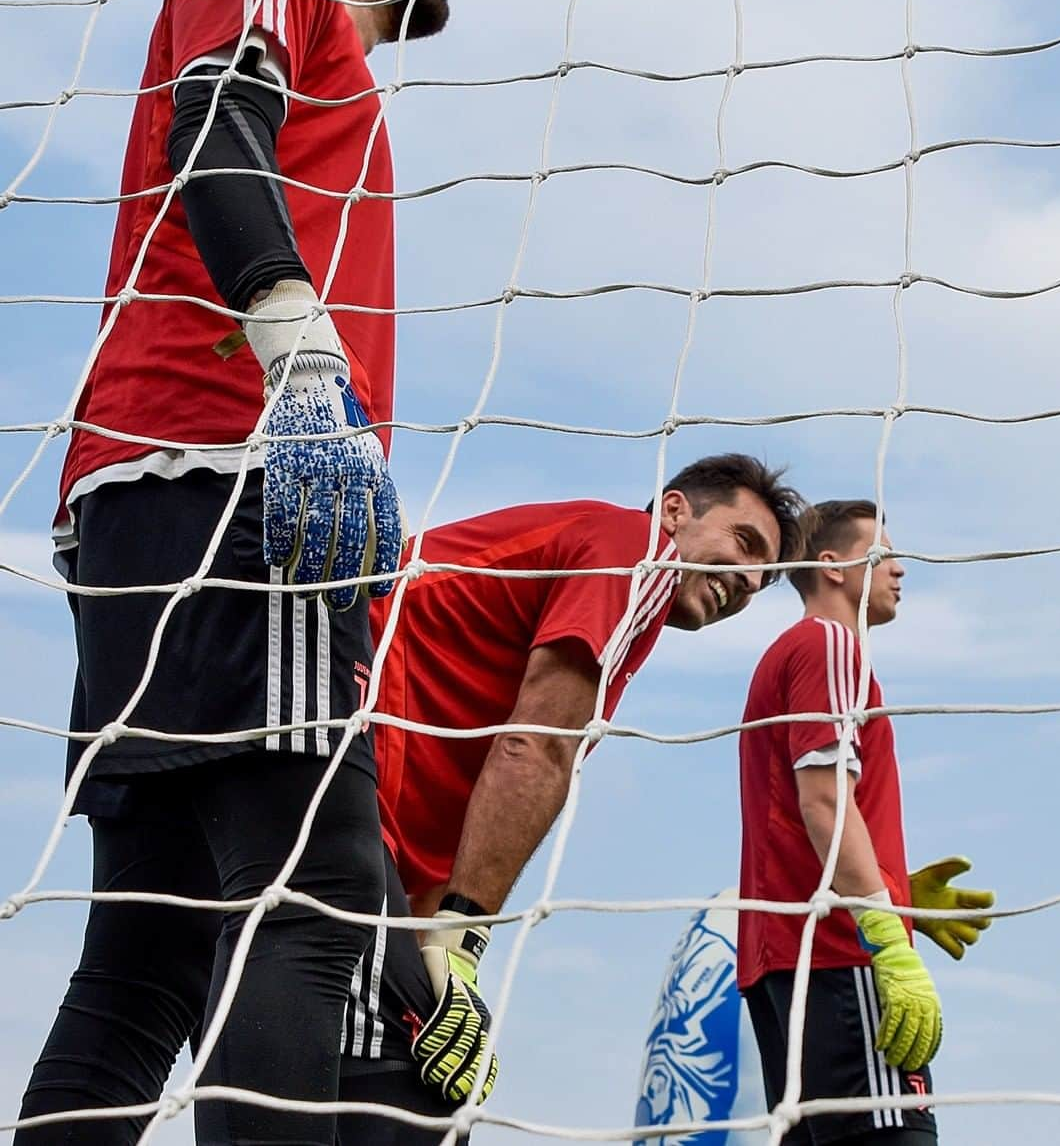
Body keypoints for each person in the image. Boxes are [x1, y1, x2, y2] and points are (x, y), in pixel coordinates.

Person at [18, 0, 462, 1146]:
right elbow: (218, 117)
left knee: (147, 956)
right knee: (309, 900)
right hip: (237, 463)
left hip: (154, 488)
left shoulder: (336, 58)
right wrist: (304, 366)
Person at [332, 454, 807, 1143]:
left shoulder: (617, 615)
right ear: (674, 511)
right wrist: (462, 941)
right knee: (416, 1088)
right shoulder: (633, 549)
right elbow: (537, 745)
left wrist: (436, 937)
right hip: (337, 760)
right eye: (744, 542)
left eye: (762, 580)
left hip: (375, 825)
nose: (748, 580)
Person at [737, 501, 995, 1145]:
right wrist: (885, 930)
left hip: (782, 958)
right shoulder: (829, 644)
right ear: (834, 567)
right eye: (883, 553)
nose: (901, 569)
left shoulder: (783, 656)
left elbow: (791, 820)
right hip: (841, 950)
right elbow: (822, 802)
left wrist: (898, 888)